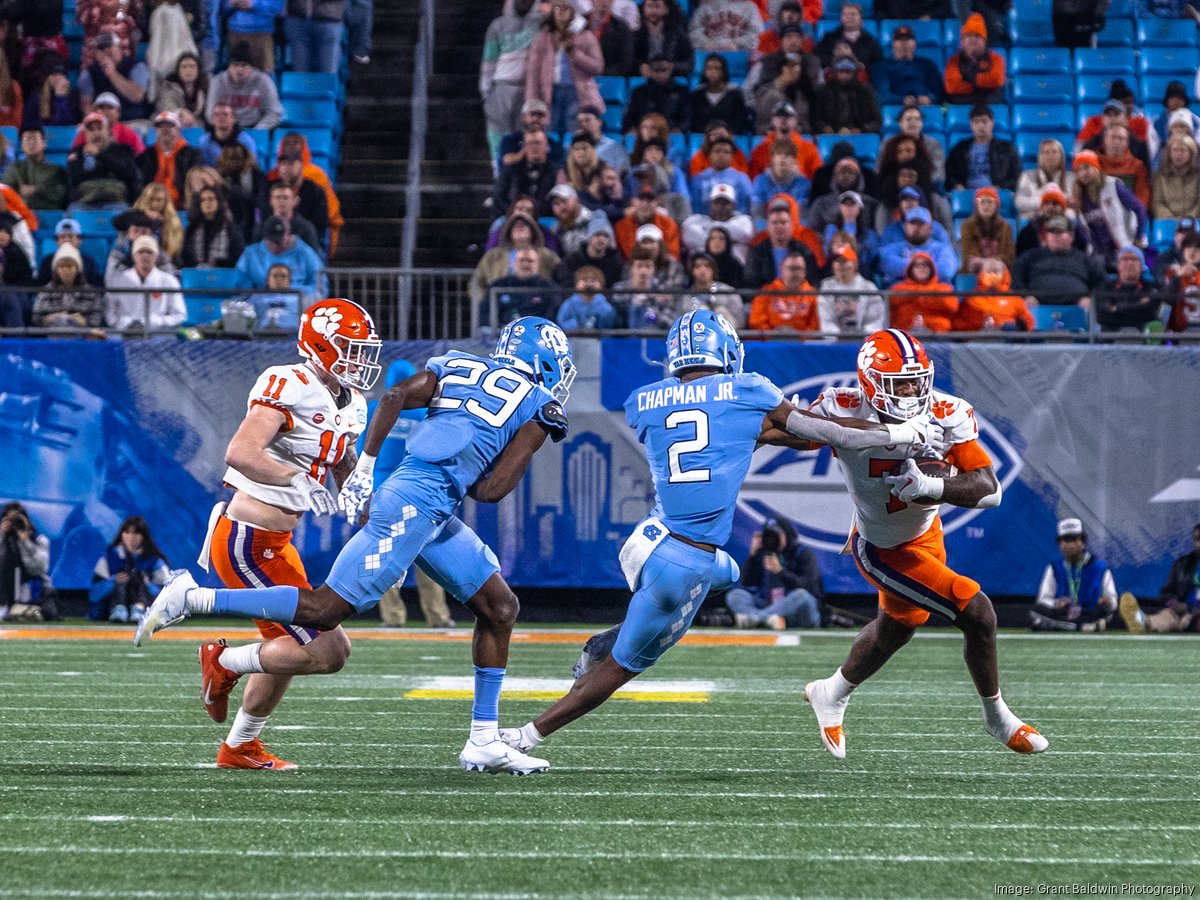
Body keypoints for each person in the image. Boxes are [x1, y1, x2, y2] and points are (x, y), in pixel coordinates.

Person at [492, 311, 946, 764]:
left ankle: (621, 633)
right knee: (623, 668)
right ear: (726, 349)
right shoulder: (749, 390)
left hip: (651, 539)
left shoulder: (644, 400)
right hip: (683, 559)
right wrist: (899, 432)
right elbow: (824, 431)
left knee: (726, 573)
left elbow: (732, 431)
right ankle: (525, 736)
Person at [138, 316, 580, 777]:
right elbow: (490, 492)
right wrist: (501, 446)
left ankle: (484, 740)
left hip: (421, 504)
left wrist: (368, 466)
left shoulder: (459, 365)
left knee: (499, 606)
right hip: (417, 507)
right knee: (324, 612)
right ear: (545, 360)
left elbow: (394, 397)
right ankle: (193, 599)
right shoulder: (540, 404)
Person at [799, 328, 1046, 759]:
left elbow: (989, 489)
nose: (912, 390)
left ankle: (831, 692)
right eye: (901, 383)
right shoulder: (841, 405)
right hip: (881, 547)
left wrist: (932, 486)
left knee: (895, 629)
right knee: (978, 612)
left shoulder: (946, 412)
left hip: (926, 533)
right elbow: (785, 431)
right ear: (870, 381)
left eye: (917, 380)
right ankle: (997, 717)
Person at [727, 517, 824, 629]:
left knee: (801, 595)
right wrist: (752, 556)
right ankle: (766, 620)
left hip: (800, 613)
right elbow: (746, 582)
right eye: (768, 535)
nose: (772, 539)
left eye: (776, 534)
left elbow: (810, 587)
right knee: (735, 595)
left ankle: (756, 618)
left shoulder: (803, 553)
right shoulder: (763, 553)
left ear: (786, 534)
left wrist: (780, 572)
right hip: (770, 606)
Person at [525, 0, 605, 135]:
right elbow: (533, 73)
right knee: (549, 133)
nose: (560, 12)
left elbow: (598, 67)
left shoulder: (586, 36)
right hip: (549, 94)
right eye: (557, 8)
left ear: (574, 12)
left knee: (574, 134)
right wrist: (531, 102)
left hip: (578, 94)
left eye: (565, 9)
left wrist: (574, 53)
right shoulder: (542, 38)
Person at [1029, 518, 1117, 633]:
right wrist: (1057, 603)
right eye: (1065, 540)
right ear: (1059, 544)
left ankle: (1057, 625)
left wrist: (1107, 601)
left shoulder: (1100, 568)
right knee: (1037, 610)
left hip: (1090, 612)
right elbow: (1043, 599)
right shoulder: (1054, 567)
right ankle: (1080, 627)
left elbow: (1113, 602)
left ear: (1083, 541)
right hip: (1064, 612)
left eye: (1075, 539)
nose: (1070, 545)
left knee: (1104, 611)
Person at [480, 0, 542, 159]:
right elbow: (489, 60)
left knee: (525, 134)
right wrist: (486, 91)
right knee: (497, 133)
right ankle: (497, 170)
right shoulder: (497, 26)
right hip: (501, 87)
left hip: (529, 89)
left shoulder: (542, 24)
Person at [1072, 150, 1147, 271]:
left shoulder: (1113, 185)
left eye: (1087, 167)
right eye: (1079, 170)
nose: (1083, 173)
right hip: (1100, 254)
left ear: (1096, 168)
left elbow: (1140, 209)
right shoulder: (1079, 198)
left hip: (1125, 245)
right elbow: (1084, 231)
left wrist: (1138, 238)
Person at [1119, 523, 1200, 635]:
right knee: (1167, 616)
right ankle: (1141, 620)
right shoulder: (1183, 564)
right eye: (1196, 539)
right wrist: (1174, 603)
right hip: (1183, 612)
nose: (1198, 544)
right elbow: (1167, 593)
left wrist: (1194, 611)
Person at [1014, 215, 1106, 309]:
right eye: (1051, 232)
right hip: (1037, 309)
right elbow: (1016, 279)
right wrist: (1025, 296)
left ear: (1071, 236)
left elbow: (1101, 283)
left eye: (1060, 232)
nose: (1055, 236)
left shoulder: (1085, 259)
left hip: (1078, 310)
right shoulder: (1029, 257)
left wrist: (1091, 298)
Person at [89, 516, 170, 623]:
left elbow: (168, 595)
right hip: (110, 609)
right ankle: (119, 609)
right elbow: (94, 595)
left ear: (143, 537)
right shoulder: (108, 559)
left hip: (147, 607)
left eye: (136, 533)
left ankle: (138, 609)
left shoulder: (155, 561)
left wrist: (148, 585)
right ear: (121, 535)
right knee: (121, 579)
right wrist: (113, 581)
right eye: (127, 532)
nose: (131, 537)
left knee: (139, 579)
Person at [471, 212, 560, 305]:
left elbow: (560, 278)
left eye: (524, 225)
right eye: (515, 226)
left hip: (539, 307)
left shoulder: (548, 255)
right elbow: (476, 281)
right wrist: (484, 303)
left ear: (533, 231)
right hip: (501, 309)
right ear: (508, 231)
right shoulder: (492, 256)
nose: (520, 227)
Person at [105, 234, 185, 329]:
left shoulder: (169, 281)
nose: (145, 255)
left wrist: (157, 322)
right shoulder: (117, 280)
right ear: (134, 255)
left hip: (157, 335)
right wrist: (124, 323)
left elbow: (179, 315)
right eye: (141, 251)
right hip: (124, 334)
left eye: (149, 252)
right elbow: (109, 312)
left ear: (156, 256)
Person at [236, 217, 325, 302]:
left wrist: (294, 290)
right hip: (262, 304)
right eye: (271, 240)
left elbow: (320, 285)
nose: (275, 245)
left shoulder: (304, 252)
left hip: (298, 302)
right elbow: (241, 288)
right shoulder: (251, 254)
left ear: (288, 235)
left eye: (279, 241)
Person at [66, 113, 140, 212]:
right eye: (91, 130)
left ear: (109, 132)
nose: (96, 133)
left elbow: (127, 172)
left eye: (100, 128)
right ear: (86, 134)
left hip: (116, 202)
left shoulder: (123, 150)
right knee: (73, 213)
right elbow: (74, 179)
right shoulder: (77, 152)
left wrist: (99, 155)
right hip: (84, 203)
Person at [745, 196, 821, 289]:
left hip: (798, 300)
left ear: (791, 226)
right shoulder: (757, 252)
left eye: (783, 222)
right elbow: (750, 282)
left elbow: (813, 281)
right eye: (775, 223)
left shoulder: (804, 250)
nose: (779, 226)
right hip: (766, 299)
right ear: (768, 227)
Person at [205, 44, 283, 131]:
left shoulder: (263, 80)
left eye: (244, 65)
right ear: (229, 67)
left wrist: (257, 130)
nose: (239, 69)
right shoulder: (217, 81)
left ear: (251, 68)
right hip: (226, 128)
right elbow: (210, 113)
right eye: (235, 65)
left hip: (256, 126)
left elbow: (274, 112)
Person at [944, 104, 1021, 192]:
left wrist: (999, 188)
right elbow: (949, 174)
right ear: (971, 125)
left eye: (984, 121)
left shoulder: (1007, 148)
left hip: (995, 194)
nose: (981, 126)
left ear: (992, 122)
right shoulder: (960, 148)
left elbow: (1017, 177)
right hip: (966, 193)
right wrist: (957, 186)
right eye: (976, 122)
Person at [79, 32, 153, 122]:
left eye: (110, 47)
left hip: (134, 121)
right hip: (103, 124)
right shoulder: (88, 73)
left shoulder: (137, 67)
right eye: (101, 49)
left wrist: (112, 74)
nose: (106, 52)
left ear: (119, 48)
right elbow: (87, 106)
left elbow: (137, 96)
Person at [880, 206, 958, 285]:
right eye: (913, 223)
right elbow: (889, 267)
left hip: (934, 294)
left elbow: (946, 271)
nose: (916, 228)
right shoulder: (891, 248)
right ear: (905, 227)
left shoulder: (943, 248)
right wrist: (927, 267)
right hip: (903, 294)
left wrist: (911, 268)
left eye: (921, 224)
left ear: (930, 228)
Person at [817, 245, 885, 335]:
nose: (840, 266)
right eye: (837, 262)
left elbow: (875, 320)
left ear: (855, 264)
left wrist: (863, 340)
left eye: (844, 261)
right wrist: (837, 339)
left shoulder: (868, 288)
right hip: (834, 344)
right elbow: (826, 320)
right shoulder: (826, 287)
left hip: (863, 342)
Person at [0, 503, 52, 622]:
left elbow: (40, 569)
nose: (14, 525)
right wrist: (2, 536)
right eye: (10, 520)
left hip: (33, 591)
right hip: (6, 591)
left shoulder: (39, 539)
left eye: (17, 520)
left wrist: (25, 542)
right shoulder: (3, 540)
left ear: (26, 520)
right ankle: (5, 606)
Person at [137, 111, 199, 208]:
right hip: (151, 204)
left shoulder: (192, 154)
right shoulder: (146, 155)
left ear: (178, 130)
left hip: (181, 205)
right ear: (155, 131)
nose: (165, 129)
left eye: (170, 125)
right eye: (160, 126)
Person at [32, 244, 103, 328]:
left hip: (82, 338)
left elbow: (96, 320)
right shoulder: (46, 292)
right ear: (56, 270)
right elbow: (35, 318)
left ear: (77, 269)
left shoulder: (91, 293)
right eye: (62, 266)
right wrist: (46, 319)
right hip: (52, 337)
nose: (65, 270)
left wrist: (84, 322)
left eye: (69, 266)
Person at [486, 246, 562, 325]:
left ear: (537, 264)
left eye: (530, 261)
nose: (525, 264)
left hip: (537, 333)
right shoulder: (498, 285)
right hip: (501, 333)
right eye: (521, 260)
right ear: (513, 263)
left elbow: (554, 314)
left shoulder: (549, 287)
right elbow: (485, 314)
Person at [682, 183, 754, 265]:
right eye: (717, 203)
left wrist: (707, 230)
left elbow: (745, 234)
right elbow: (688, 238)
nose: (721, 207)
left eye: (725, 203)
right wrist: (730, 240)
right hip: (700, 273)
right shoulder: (694, 220)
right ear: (710, 204)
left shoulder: (744, 220)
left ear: (733, 206)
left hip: (734, 272)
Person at [953, 259, 1034, 331]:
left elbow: (1027, 321)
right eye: (988, 272)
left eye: (996, 271)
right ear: (982, 274)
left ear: (1004, 274)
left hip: (1007, 340)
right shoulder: (971, 299)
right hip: (978, 338)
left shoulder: (1014, 299)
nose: (992, 275)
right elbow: (960, 322)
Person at [748, 249, 819, 331]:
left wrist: (800, 339)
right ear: (781, 269)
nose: (795, 273)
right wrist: (772, 336)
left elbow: (815, 326)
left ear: (805, 272)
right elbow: (755, 321)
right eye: (791, 268)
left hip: (802, 342)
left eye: (798, 268)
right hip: (770, 341)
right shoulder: (766, 292)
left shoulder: (812, 295)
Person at [873, 24, 943, 108]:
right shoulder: (882, 66)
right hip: (897, 109)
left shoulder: (927, 64)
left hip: (925, 107)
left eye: (908, 39)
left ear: (915, 43)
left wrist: (930, 98)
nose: (904, 43)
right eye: (899, 40)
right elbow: (882, 95)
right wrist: (902, 100)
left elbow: (939, 91)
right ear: (893, 44)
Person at [943, 13, 1005, 106]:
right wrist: (982, 84)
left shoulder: (996, 58)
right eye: (969, 35)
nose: (973, 39)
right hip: (962, 109)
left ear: (984, 41)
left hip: (990, 109)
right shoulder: (953, 61)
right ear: (962, 41)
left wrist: (970, 78)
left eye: (977, 36)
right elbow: (952, 87)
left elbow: (997, 80)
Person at [494, 127, 558, 215]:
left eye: (538, 143)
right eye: (530, 143)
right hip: (514, 218)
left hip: (546, 220)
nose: (534, 147)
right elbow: (499, 198)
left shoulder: (556, 171)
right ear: (524, 147)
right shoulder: (510, 170)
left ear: (546, 146)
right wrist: (516, 213)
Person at [1095, 246, 1160, 332]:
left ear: (1142, 265)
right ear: (1118, 265)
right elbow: (1103, 316)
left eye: (1134, 259)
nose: (1130, 263)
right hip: (1111, 339)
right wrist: (1139, 304)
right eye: (1125, 259)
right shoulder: (1105, 287)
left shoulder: (1151, 288)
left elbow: (1151, 314)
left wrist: (1117, 308)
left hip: (1143, 338)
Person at [887, 251, 957, 332]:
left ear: (932, 269)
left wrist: (913, 296)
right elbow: (892, 300)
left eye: (926, 265)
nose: (921, 268)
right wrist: (929, 296)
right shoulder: (898, 288)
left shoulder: (944, 288)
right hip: (904, 334)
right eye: (917, 265)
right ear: (910, 269)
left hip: (938, 335)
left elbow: (952, 305)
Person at [621, 53, 690, 134]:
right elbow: (630, 117)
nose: (660, 74)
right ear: (650, 70)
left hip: (671, 134)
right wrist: (632, 128)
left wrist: (680, 129)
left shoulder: (681, 92)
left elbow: (687, 117)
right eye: (656, 70)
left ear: (671, 69)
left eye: (664, 70)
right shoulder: (639, 92)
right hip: (644, 133)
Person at [3, 127, 69, 211]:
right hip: (20, 214)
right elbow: (5, 192)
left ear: (44, 143)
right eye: (27, 139)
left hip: (49, 213)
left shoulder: (56, 170)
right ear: (22, 145)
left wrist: (37, 190)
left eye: (35, 138)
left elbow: (61, 195)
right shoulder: (15, 169)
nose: (31, 142)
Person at [182, 184, 245, 268]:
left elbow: (238, 253)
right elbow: (185, 254)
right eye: (203, 200)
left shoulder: (230, 228)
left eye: (211, 199)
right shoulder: (192, 228)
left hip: (223, 273)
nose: (207, 202)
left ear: (218, 202)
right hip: (196, 273)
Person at [813, 58, 882, 135]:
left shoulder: (865, 91)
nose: (844, 76)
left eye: (848, 72)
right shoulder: (823, 91)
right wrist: (825, 128)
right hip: (830, 135)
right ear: (835, 72)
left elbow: (876, 121)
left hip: (860, 135)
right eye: (841, 72)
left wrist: (861, 130)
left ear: (854, 73)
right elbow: (816, 119)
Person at [555, 214, 623, 290]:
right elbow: (564, 282)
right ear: (589, 237)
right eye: (597, 235)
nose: (601, 239)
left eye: (606, 236)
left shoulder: (615, 262)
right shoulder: (573, 259)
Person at [689, 139, 754, 215]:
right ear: (710, 155)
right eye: (717, 151)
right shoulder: (699, 179)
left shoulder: (742, 178)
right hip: (705, 221)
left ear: (732, 156)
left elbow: (749, 204)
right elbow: (694, 205)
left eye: (726, 152)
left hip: (735, 221)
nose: (721, 155)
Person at [1014, 138, 1075, 220]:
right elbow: (1019, 202)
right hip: (1036, 218)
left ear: (1061, 156)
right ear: (1040, 157)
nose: (1050, 155)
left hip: (1063, 219)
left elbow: (1075, 202)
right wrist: (1043, 202)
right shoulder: (1027, 175)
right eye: (1046, 152)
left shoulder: (1071, 177)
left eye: (1054, 152)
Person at [690, 53, 750, 135]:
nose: (713, 72)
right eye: (709, 68)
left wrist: (725, 134)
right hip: (703, 138)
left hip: (729, 137)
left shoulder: (735, 94)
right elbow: (694, 121)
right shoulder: (697, 94)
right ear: (704, 71)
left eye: (717, 69)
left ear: (724, 71)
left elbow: (739, 120)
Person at [959, 187, 1014, 273]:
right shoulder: (967, 225)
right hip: (974, 273)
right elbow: (969, 255)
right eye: (982, 202)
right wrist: (988, 264)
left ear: (996, 205)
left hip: (999, 272)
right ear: (976, 205)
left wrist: (991, 264)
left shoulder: (1005, 226)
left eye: (990, 202)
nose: (986, 205)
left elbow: (1009, 256)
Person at [1097, 124, 1151, 211]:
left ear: (1127, 143)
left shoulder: (1137, 166)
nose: (1117, 142)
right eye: (1113, 137)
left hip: (1129, 217)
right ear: (1105, 140)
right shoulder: (1094, 164)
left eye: (1121, 138)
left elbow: (1143, 196)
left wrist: (1135, 215)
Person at [634, 0, 693, 79]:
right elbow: (627, 61)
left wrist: (672, 66)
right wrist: (639, 67)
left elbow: (689, 64)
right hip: (643, 81)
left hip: (671, 80)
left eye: (657, 6)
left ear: (666, 10)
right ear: (643, 9)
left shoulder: (677, 34)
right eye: (650, 6)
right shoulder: (635, 35)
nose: (653, 11)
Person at [751, 144, 811, 222]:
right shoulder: (760, 180)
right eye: (779, 154)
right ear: (772, 159)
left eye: (787, 155)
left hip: (794, 227)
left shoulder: (803, 183)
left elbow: (802, 215)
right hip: (767, 226)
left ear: (794, 160)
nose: (783, 158)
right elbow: (757, 213)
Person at [222, 0, 284, 74]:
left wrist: (254, 5)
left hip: (262, 34)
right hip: (235, 33)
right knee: (236, 76)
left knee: (264, 75)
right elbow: (222, 9)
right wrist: (230, 4)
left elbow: (278, 7)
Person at [814, 3, 881, 70]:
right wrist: (835, 60)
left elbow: (878, 63)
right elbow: (817, 56)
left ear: (861, 19)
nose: (849, 17)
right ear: (841, 18)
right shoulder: (829, 37)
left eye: (853, 14)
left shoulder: (870, 41)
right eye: (845, 14)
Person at [132, 182, 185, 260]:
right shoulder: (133, 217)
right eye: (151, 199)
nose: (154, 204)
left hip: (165, 262)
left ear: (165, 201)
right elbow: (117, 221)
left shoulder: (174, 223)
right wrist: (144, 215)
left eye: (159, 200)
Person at [1152, 135, 1200, 221]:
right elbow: (1157, 203)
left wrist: (1189, 219)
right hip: (1167, 222)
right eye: (1175, 150)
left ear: (1191, 153)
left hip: (1194, 221)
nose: (1178, 154)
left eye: (1183, 150)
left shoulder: (1198, 176)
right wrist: (1173, 219)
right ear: (1169, 153)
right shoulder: (1159, 176)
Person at [198, 102, 259, 168]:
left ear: (233, 119)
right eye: (217, 115)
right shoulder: (203, 141)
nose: (221, 117)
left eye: (225, 114)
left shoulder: (246, 142)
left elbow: (251, 166)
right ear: (212, 119)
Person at [156, 51, 208, 127]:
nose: (188, 70)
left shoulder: (205, 86)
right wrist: (180, 112)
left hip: (197, 125)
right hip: (171, 123)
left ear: (198, 70)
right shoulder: (169, 85)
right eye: (184, 67)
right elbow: (167, 106)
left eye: (192, 66)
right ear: (178, 70)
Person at [556, 265, 617, 329]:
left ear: (601, 284)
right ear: (576, 284)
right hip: (572, 337)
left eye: (593, 280)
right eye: (584, 279)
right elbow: (561, 323)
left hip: (598, 338)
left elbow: (609, 327)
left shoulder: (606, 306)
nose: (589, 284)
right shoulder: (569, 304)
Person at [688, 0, 762, 52]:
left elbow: (756, 36)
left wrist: (735, 43)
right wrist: (706, 44)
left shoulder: (751, 8)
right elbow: (693, 33)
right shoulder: (705, 7)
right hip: (707, 54)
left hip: (738, 54)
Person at [1165, 232, 1200, 331]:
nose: (1192, 251)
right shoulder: (1172, 272)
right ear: (1183, 251)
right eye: (1188, 247)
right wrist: (1177, 277)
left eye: (1197, 248)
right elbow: (1167, 300)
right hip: (1178, 332)